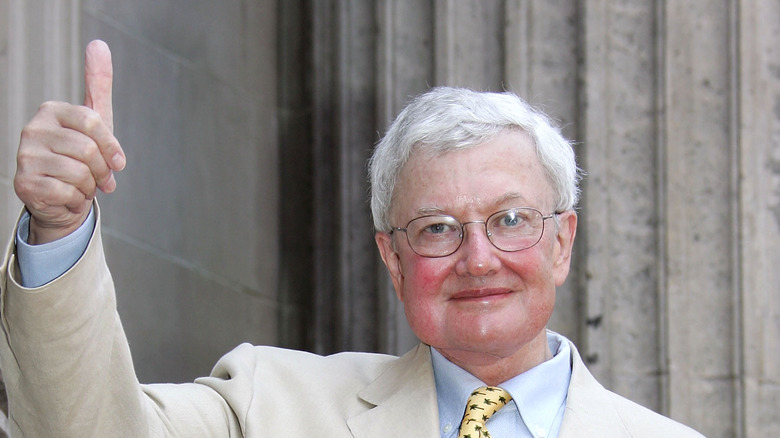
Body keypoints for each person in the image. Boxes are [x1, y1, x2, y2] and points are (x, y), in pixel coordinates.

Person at [0, 40, 704, 437]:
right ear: (392, 261)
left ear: (562, 242)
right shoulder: (268, 406)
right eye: (436, 230)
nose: (478, 257)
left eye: (511, 220)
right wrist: (59, 230)